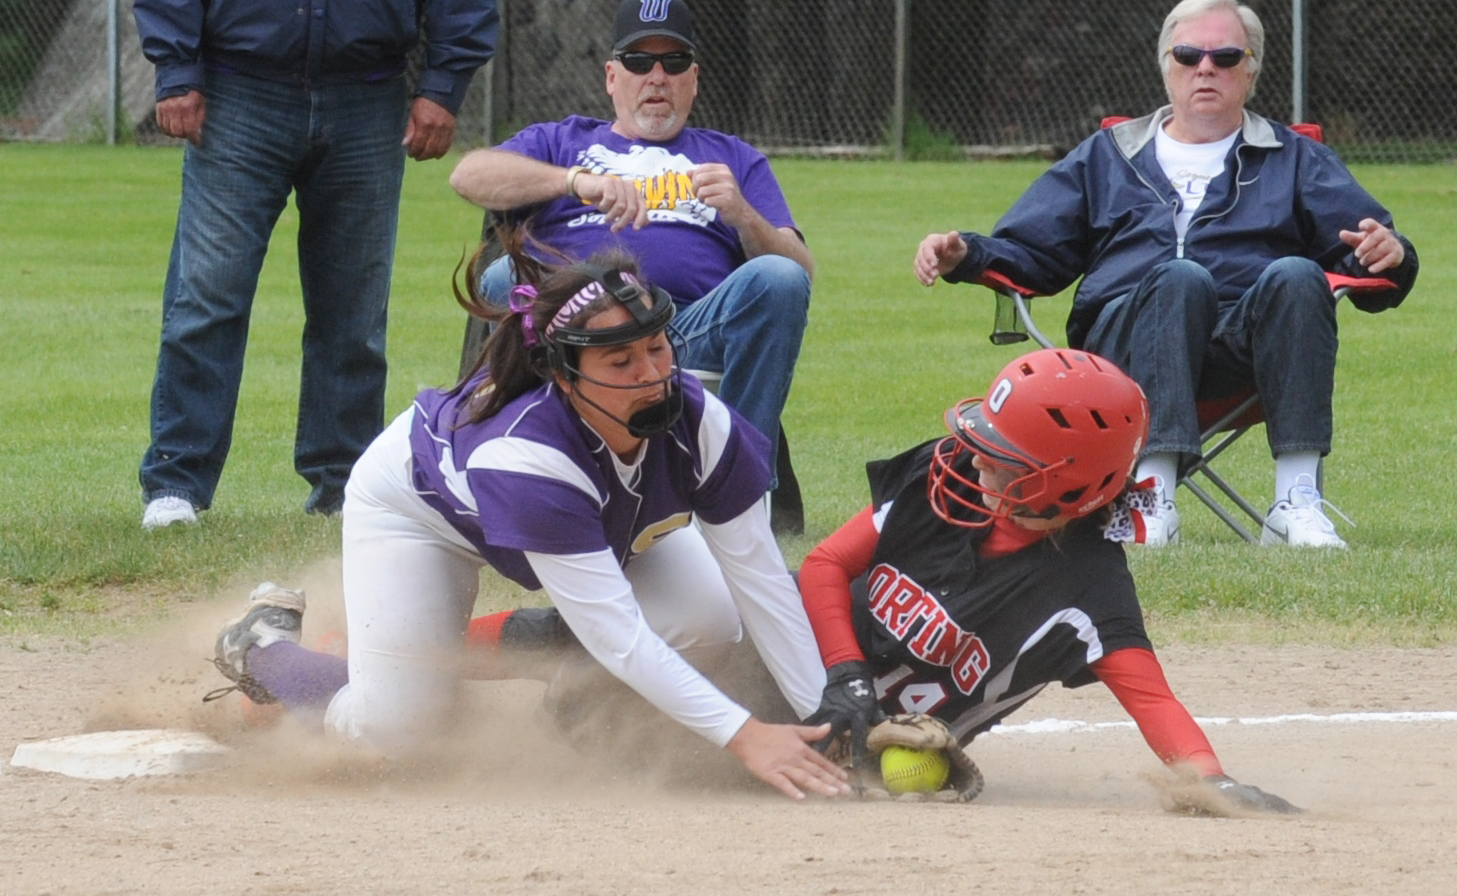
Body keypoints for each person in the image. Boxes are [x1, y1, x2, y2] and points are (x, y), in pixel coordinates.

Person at [205, 240, 851, 802]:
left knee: (708, 617)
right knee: (396, 732)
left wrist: (828, 719)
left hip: (590, 517)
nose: (652, 376)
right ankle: (266, 649)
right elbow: (619, 635)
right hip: (420, 514)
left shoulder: (698, 421)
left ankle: (568, 715)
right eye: (620, 363)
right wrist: (746, 737)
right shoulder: (528, 455)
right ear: (566, 379)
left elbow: (761, 581)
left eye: (656, 348)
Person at [913, 0, 1418, 548]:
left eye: (1226, 56)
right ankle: (1151, 497)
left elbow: (1367, 250)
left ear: (1250, 71)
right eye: (1189, 54)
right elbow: (1034, 252)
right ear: (1166, 65)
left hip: (1238, 358)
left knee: (1299, 274)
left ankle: (1295, 501)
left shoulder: (1294, 158)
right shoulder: (1108, 156)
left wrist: (1390, 252)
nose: (1206, 68)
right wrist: (965, 254)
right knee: (1179, 278)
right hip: (1117, 357)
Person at [797, 347, 1302, 813]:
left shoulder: (1088, 588)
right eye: (982, 441)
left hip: (865, 741)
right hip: (800, 650)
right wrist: (846, 677)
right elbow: (824, 567)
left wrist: (1212, 782)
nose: (976, 459)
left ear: (1065, 488)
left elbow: (1153, 700)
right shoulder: (947, 473)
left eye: (1002, 459)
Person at [132, 0, 499, 529]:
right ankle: (176, 484)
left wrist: (443, 86)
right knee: (208, 297)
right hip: (239, 89)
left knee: (355, 310)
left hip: (368, 96)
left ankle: (344, 487)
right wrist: (176, 69)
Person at [448, 0, 813, 529]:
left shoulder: (731, 157)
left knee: (778, 278)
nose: (657, 77)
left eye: (674, 61)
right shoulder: (562, 142)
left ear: (694, 77)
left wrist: (744, 216)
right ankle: (518, 473)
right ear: (612, 77)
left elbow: (800, 270)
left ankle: (737, 492)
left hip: (683, 333)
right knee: (507, 277)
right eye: (639, 62)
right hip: (571, 329)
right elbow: (469, 174)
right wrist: (574, 182)